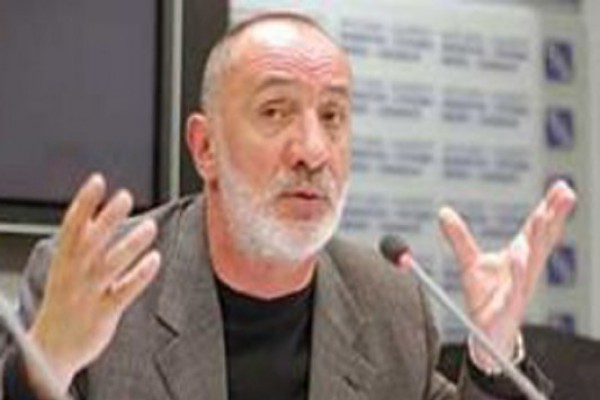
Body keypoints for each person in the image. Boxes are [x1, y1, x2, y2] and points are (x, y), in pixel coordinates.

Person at [1, 12, 576, 400]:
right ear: (205, 148)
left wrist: (494, 356)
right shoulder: (100, 287)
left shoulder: (390, 303)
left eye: (332, 116)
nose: (312, 151)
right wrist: (42, 369)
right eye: (275, 112)